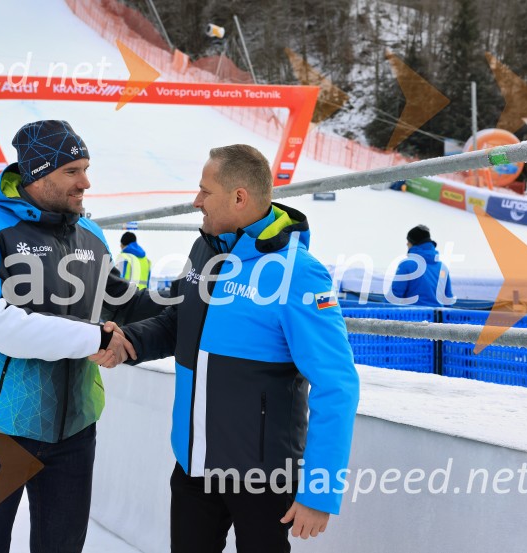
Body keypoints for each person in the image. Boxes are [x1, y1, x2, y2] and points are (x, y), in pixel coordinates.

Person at [115, 145, 360, 552]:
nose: (196, 202)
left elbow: (337, 384)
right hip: (194, 465)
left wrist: (319, 493)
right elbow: (178, 320)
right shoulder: (205, 249)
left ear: (239, 197)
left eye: (204, 192)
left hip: (260, 478)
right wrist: (130, 342)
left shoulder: (297, 272)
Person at [0, 119, 161, 553]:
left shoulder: (92, 233)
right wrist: (96, 339)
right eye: (72, 170)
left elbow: (122, 300)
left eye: (86, 168)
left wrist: (197, 302)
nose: (86, 182)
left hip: (75, 427)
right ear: (37, 173)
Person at [389, 224, 454, 307]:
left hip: (412, 317)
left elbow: (394, 297)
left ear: (413, 243)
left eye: (408, 241)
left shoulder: (407, 265)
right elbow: (448, 299)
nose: (407, 244)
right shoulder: (442, 268)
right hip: (437, 318)